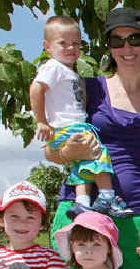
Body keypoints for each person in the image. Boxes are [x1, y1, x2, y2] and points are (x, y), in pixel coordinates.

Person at [46, 7, 140, 269]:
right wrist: (68, 153)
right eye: (117, 41)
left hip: (135, 211)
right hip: (82, 210)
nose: (126, 48)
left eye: (135, 39)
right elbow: (50, 150)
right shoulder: (87, 89)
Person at [30, 16, 130, 217]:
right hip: (68, 126)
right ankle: (107, 196)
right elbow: (36, 88)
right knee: (98, 153)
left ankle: (82, 201)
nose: (71, 48)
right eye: (63, 43)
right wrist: (41, 121)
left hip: (74, 126)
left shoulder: (70, 72)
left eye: (76, 43)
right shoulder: (53, 67)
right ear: (47, 47)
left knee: (84, 162)